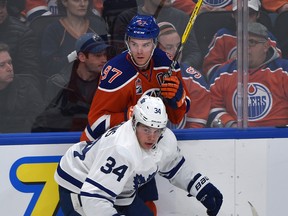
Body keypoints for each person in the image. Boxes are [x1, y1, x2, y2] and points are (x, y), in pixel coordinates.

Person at [81, 14, 190, 215]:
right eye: (134, 44)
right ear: (127, 42)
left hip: (140, 150)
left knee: (147, 208)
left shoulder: (165, 63)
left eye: (146, 44)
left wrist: (176, 99)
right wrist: (132, 116)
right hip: (105, 154)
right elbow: (95, 123)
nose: (139, 51)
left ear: (155, 44)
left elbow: (177, 116)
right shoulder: (116, 71)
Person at [55, 95, 223, 216]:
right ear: (134, 122)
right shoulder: (121, 149)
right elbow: (94, 197)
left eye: (157, 130)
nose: (152, 136)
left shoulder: (164, 139)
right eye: (146, 129)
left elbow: (173, 166)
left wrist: (200, 186)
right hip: (78, 185)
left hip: (119, 192)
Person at [208, 22, 288, 128]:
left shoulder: (284, 70)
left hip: (279, 137)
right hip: (237, 139)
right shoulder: (223, 72)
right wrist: (230, 124)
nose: (245, 47)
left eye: (251, 42)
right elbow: (212, 106)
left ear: (266, 46)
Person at [32, 33, 110, 132]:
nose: (104, 60)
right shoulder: (58, 83)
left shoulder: (109, 82)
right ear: (82, 57)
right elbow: (46, 121)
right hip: (63, 139)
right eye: (98, 55)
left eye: (105, 54)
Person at [111, 0, 203, 70]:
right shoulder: (127, 18)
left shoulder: (181, 17)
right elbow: (121, 55)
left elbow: (194, 52)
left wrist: (178, 68)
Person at [202, 0, 281, 80]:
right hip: (228, 84)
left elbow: (278, 69)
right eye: (240, 13)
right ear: (233, 14)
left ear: (258, 15)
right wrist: (233, 63)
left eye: (250, 14)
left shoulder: (268, 38)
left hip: (262, 83)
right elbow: (209, 70)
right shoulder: (222, 36)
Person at [157, 21, 210, 128]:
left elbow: (195, 130)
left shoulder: (195, 81)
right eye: (169, 47)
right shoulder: (137, 76)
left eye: (178, 46)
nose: (176, 52)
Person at [40, 0, 108, 79]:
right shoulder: (53, 30)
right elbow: (50, 66)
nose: (82, 4)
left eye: (85, 0)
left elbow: (108, 56)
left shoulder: (97, 25)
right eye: (76, 0)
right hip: (65, 85)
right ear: (64, 2)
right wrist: (71, 58)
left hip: (97, 81)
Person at [0, 43, 44, 133]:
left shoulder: (27, 87)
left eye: (10, 62)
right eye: (2, 65)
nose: (9, 68)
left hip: (22, 143)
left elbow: (39, 123)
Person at [0, 0, 40, 79]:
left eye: (2, 5)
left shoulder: (23, 34)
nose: (0, 11)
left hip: (10, 87)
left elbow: (31, 75)